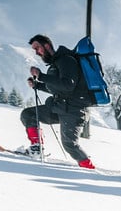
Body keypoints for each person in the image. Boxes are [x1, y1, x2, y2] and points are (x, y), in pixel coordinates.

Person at [19, 34, 95, 169]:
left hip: (74, 110)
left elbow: (68, 85)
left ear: (46, 45)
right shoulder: (55, 64)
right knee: (28, 114)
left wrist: (42, 76)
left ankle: (89, 168)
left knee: (69, 144)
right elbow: (58, 89)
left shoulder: (66, 60)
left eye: (37, 48)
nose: (36, 52)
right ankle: (36, 148)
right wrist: (38, 85)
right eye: (34, 50)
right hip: (59, 107)